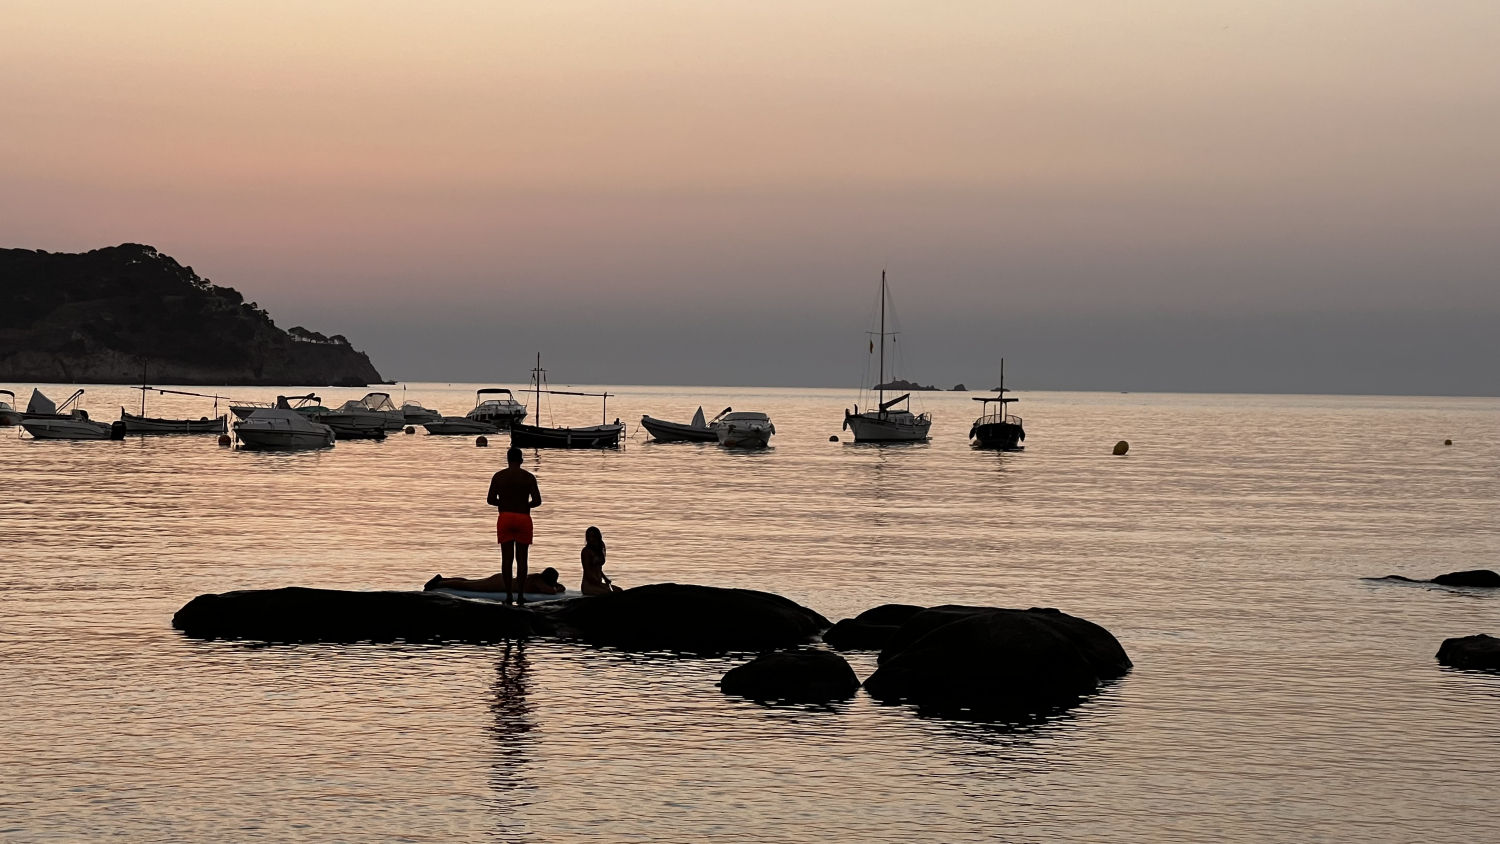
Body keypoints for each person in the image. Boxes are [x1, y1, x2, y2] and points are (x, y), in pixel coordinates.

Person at [420, 447, 543, 604]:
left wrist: (504, 503)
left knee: (507, 559)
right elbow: (537, 501)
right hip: (523, 517)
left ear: (507, 459)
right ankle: (520, 596)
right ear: (521, 460)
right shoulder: (529, 477)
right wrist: (524, 505)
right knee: (522, 559)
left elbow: (490, 499)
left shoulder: (498, 476)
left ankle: (508, 596)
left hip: (505, 517)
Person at [425, 566, 564, 596]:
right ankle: (440, 583)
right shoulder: (538, 582)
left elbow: (560, 587)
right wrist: (556, 588)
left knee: (470, 582)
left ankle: (444, 579)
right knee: (469, 586)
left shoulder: (536, 579)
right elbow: (551, 591)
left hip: (502, 580)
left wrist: (557, 586)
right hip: (500, 584)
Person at [580, 526, 623, 595]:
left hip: (598, 583)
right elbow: (587, 571)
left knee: (619, 590)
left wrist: (605, 578)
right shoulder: (586, 551)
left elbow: (598, 568)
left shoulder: (600, 548)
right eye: (589, 537)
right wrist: (598, 584)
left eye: (593, 536)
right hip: (589, 585)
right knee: (609, 593)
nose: (591, 539)